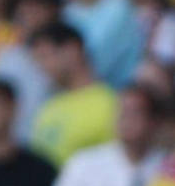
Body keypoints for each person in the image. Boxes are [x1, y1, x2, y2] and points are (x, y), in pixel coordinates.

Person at [28, 20, 119, 168]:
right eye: (37, 61)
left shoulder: (110, 104)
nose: (41, 67)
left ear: (72, 51)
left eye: (45, 56)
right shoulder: (47, 107)